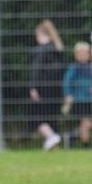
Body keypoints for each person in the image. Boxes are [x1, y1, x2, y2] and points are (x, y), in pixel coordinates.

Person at [30, 20, 66, 150]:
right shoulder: (58, 50)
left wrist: (33, 87)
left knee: (36, 118)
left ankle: (51, 137)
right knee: (52, 118)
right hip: (57, 89)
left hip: (43, 88)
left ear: (40, 34)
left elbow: (36, 70)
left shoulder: (40, 51)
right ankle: (53, 147)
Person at [62, 41, 92, 148]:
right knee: (85, 122)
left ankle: (72, 137)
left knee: (88, 124)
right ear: (76, 55)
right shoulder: (74, 68)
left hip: (88, 100)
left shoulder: (91, 67)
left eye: (85, 53)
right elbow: (67, 82)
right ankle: (85, 146)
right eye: (80, 53)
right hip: (78, 100)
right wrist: (68, 95)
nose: (83, 55)